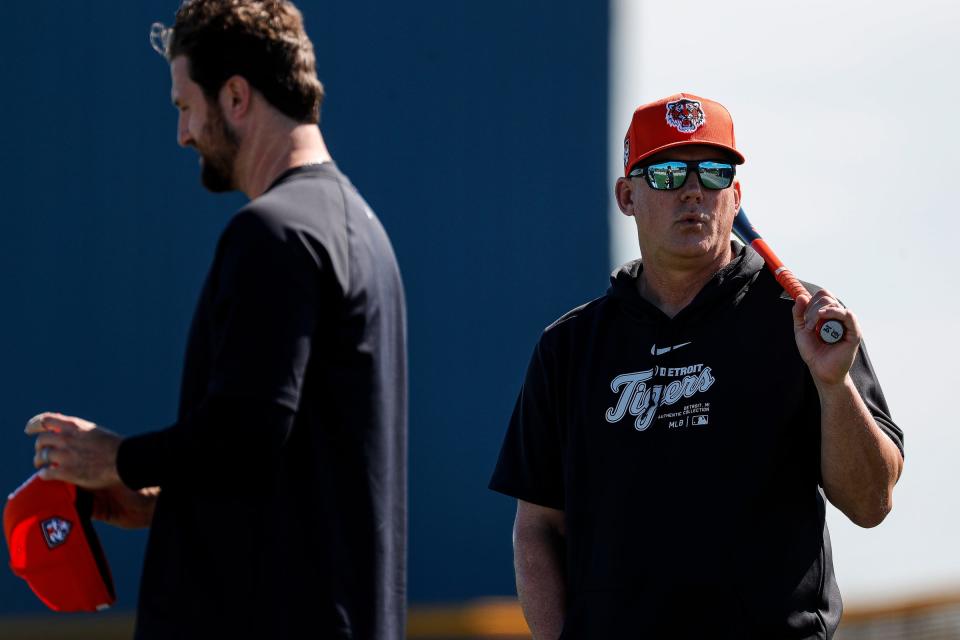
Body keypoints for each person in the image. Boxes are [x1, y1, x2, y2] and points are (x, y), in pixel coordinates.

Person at [24, 1, 407, 638]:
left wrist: (117, 459)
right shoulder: (361, 230)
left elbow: (245, 432)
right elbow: (281, 462)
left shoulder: (274, 233)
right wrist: (164, 501)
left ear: (234, 96)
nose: (181, 134)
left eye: (183, 106)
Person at [489, 92, 903, 639]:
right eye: (664, 173)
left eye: (712, 172)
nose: (692, 190)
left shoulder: (805, 322)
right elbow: (538, 527)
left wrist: (832, 386)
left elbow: (871, 502)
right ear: (626, 196)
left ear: (736, 195)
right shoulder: (569, 348)